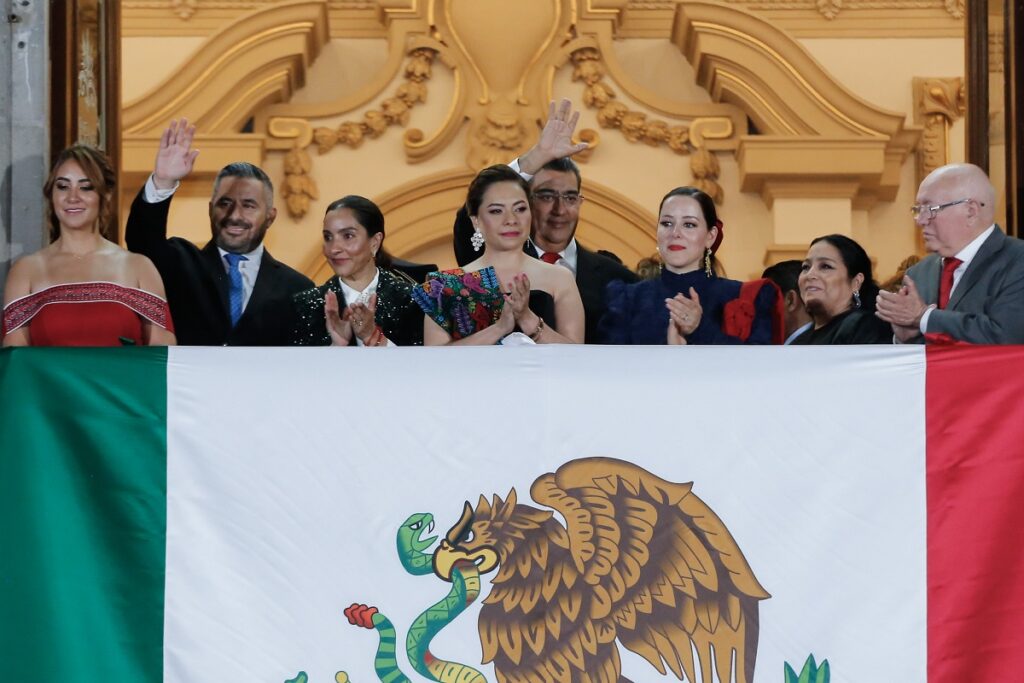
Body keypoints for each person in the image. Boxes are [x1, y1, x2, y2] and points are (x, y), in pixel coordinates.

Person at [453, 100, 637, 343]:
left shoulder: (619, 278)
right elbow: (471, 218)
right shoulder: (490, 256)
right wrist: (535, 158)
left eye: (570, 197)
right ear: (528, 202)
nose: (559, 209)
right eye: (547, 196)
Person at [125, 119, 313, 345]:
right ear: (210, 209)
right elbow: (141, 240)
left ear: (270, 217)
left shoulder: (299, 290)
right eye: (224, 203)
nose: (234, 215)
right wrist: (163, 181)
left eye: (249, 205)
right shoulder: (180, 265)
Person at [2, 145, 175, 346]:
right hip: (46, 380)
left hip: (121, 379)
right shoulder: (26, 270)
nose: (72, 197)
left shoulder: (139, 267)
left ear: (105, 195)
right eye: (63, 186)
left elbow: (163, 358)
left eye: (86, 187)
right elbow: (15, 362)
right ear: (51, 194)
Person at [416, 165, 585, 345]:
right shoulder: (443, 286)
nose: (511, 220)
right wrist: (500, 328)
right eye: (496, 211)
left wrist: (527, 319)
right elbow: (435, 362)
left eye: (520, 209)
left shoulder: (560, 278)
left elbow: (576, 357)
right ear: (476, 221)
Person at [598, 186, 781, 345]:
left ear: (711, 236)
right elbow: (610, 371)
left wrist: (700, 329)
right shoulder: (627, 299)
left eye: (689, 224)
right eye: (667, 223)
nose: (675, 233)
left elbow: (759, 369)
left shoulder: (746, 297)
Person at [875, 163, 1024, 344]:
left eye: (930, 209)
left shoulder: (1017, 260)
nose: (920, 220)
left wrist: (924, 317)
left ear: (971, 211)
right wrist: (904, 338)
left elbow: (1006, 335)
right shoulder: (918, 273)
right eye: (917, 210)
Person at [292, 195, 422, 346]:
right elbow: (297, 368)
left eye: (348, 236)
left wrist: (373, 337)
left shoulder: (413, 300)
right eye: (328, 237)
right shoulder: (304, 306)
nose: (334, 249)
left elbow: (424, 367)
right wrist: (337, 346)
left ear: (375, 242)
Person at [790, 235, 892, 345]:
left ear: (856, 282)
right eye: (806, 267)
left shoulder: (866, 328)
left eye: (825, 266)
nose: (809, 275)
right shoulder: (797, 342)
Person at [762, 260, 813, 344]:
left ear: (790, 300)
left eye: (766, 300)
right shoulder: (828, 340)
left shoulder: (796, 352)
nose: (760, 310)